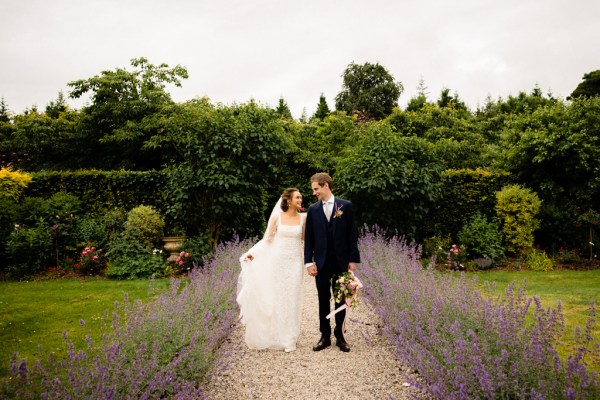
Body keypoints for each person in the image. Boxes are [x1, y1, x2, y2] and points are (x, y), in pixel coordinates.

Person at [237, 188, 305, 352]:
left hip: (295, 261)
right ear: (288, 200)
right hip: (279, 261)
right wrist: (252, 253)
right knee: (280, 297)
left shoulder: (304, 218)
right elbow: (267, 240)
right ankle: (281, 335)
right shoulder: (277, 217)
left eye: (301, 197)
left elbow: (305, 241)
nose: (300, 200)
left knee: (293, 297)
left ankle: (290, 336)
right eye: (297, 197)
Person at [304, 172, 360, 352]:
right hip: (320, 262)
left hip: (341, 261)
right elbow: (309, 239)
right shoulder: (313, 209)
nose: (314, 193)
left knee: (341, 299)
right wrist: (308, 262)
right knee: (322, 298)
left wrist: (353, 259)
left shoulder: (346, 206)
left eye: (316, 189)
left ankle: (340, 336)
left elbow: (352, 234)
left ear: (325, 185)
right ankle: (325, 335)